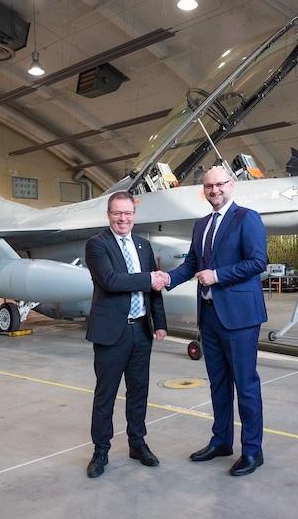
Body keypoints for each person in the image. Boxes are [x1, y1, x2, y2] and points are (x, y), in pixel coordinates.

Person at [161, 166, 268, 476]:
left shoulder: (247, 218)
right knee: (219, 384)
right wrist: (167, 278)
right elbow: (192, 264)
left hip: (240, 318)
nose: (215, 190)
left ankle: (252, 451)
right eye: (209, 186)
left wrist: (218, 276)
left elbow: (258, 261)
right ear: (203, 190)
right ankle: (221, 441)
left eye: (220, 184)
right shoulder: (201, 225)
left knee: (245, 386)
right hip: (209, 316)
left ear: (231, 185)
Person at [84, 191, 168, 478]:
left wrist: (160, 322)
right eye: (117, 213)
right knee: (105, 394)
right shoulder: (97, 244)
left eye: (128, 213)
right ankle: (100, 451)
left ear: (134, 214)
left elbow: (153, 290)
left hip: (141, 331)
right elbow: (110, 281)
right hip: (111, 333)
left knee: (138, 391)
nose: (123, 218)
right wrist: (149, 278)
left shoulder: (144, 246)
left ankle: (137, 443)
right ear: (109, 215)